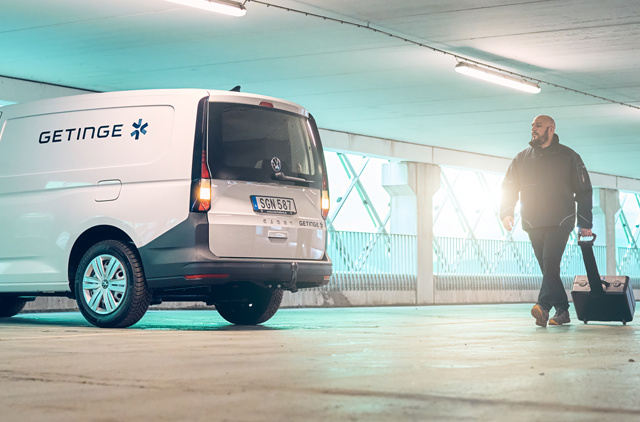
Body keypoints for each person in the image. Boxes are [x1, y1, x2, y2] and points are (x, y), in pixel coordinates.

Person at [501, 115, 593, 327]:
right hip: (533, 220)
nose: (534, 129)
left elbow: (584, 190)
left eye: (538, 126)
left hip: (560, 220)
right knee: (548, 268)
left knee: (550, 263)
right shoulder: (522, 158)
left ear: (551, 129)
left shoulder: (569, 157)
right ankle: (562, 311)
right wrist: (507, 211)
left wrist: (585, 222)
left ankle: (542, 306)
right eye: (532, 125)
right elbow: (509, 186)